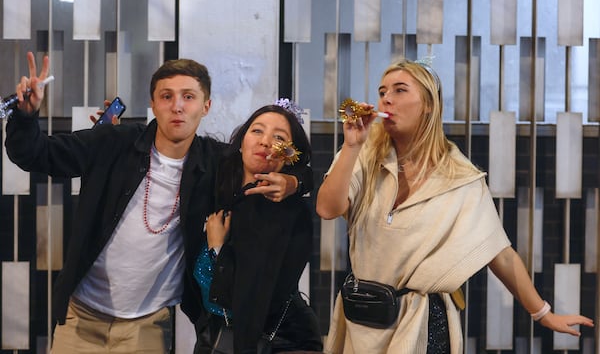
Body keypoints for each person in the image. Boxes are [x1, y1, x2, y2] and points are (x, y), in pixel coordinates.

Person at [4, 52, 313, 353]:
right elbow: (36, 154)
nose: (177, 106)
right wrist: (26, 116)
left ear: (206, 106)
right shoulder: (113, 143)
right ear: (153, 104)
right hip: (81, 317)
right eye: (166, 96)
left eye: (189, 97)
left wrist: (294, 181)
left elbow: (284, 164)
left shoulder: (216, 162)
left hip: (148, 326)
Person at [315, 59, 594, 353]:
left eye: (399, 90)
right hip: (365, 317)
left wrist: (543, 313)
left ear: (428, 105)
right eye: (382, 91)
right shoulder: (364, 154)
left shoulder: (460, 177)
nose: (386, 98)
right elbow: (327, 208)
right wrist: (351, 147)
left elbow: (499, 252)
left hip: (425, 322)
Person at [193, 103, 323, 353]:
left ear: (289, 155)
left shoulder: (285, 210)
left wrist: (217, 249)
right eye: (257, 131)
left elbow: (248, 293)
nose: (265, 142)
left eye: (279, 138)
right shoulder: (218, 181)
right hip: (219, 333)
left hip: (281, 339)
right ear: (241, 141)